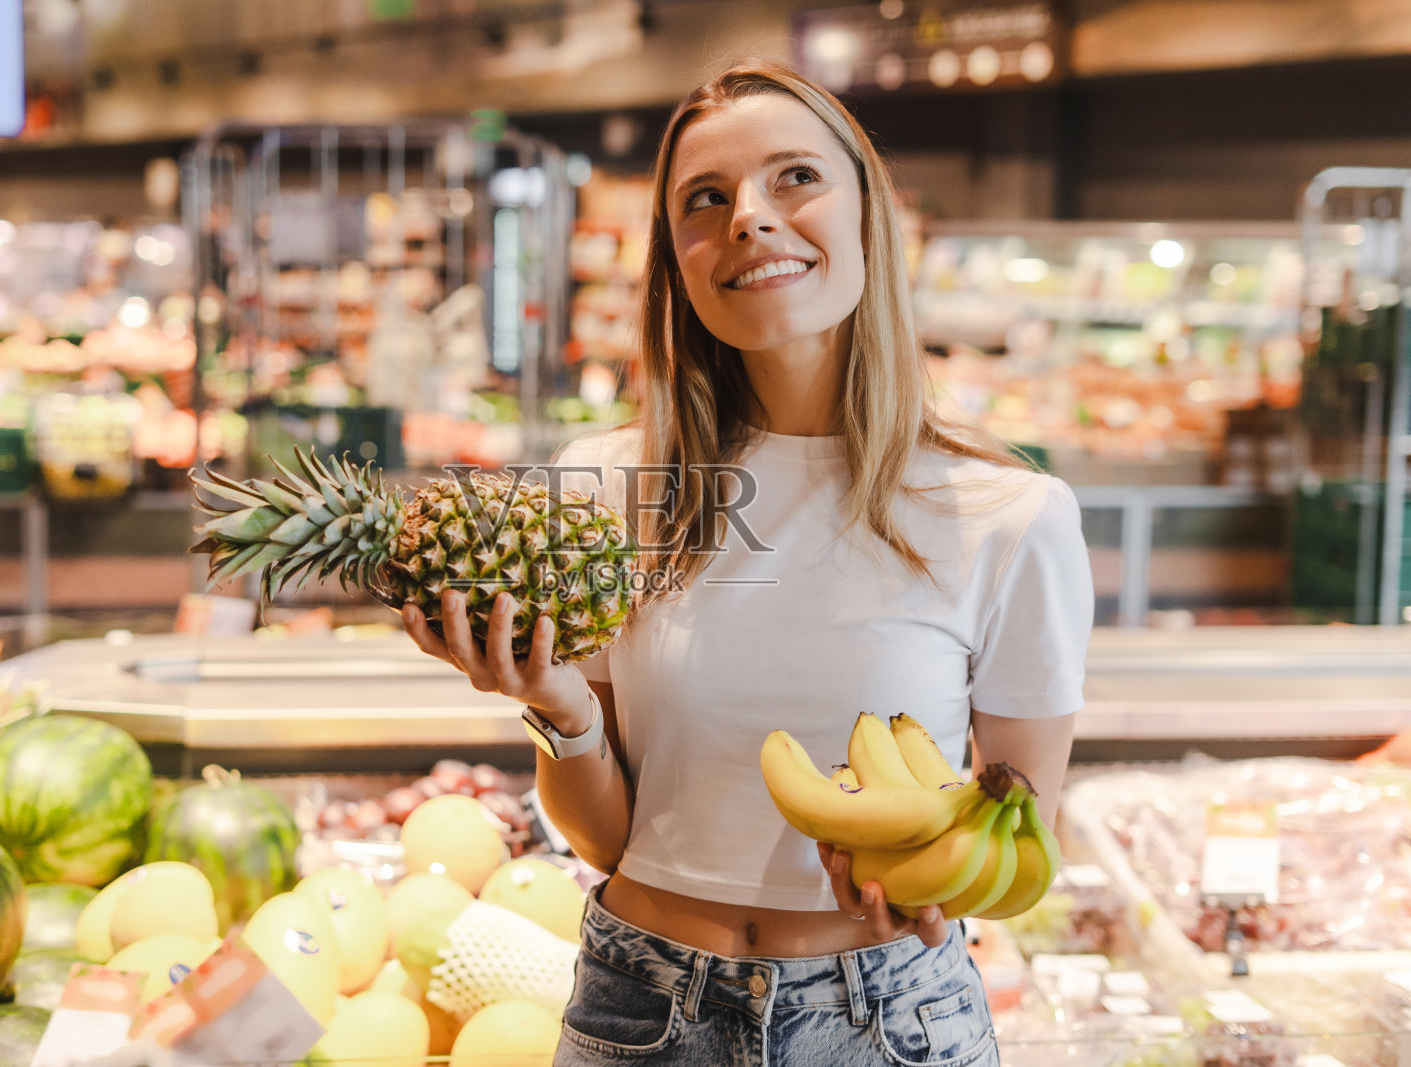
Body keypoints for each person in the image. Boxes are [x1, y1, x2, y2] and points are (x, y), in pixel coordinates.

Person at [401, 59, 1094, 1067]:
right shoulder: (603, 486)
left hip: (885, 1024)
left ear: (868, 212)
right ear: (675, 258)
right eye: (706, 199)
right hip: (638, 1006)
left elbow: (1015, 835)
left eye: (795, 179)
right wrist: (557, 703)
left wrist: (928, 881)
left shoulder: (1008, 516)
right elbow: (605, 840)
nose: (750, 219)